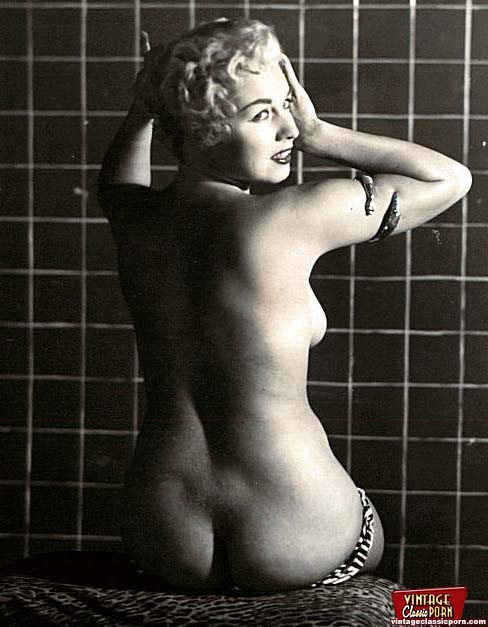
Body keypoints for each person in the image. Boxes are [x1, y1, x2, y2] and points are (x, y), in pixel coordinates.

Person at [98, 18, 471, 593]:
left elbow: (117, 182)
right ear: (199, 131)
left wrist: (145, 108)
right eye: (261, 115)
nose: (289, 129)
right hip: (298, 535)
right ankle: (438, 618)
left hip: (165, 536)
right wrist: (323, 134)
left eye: (288, 108)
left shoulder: (136, 220)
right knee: (425, 602)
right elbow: (450, 178)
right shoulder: (289, 218)